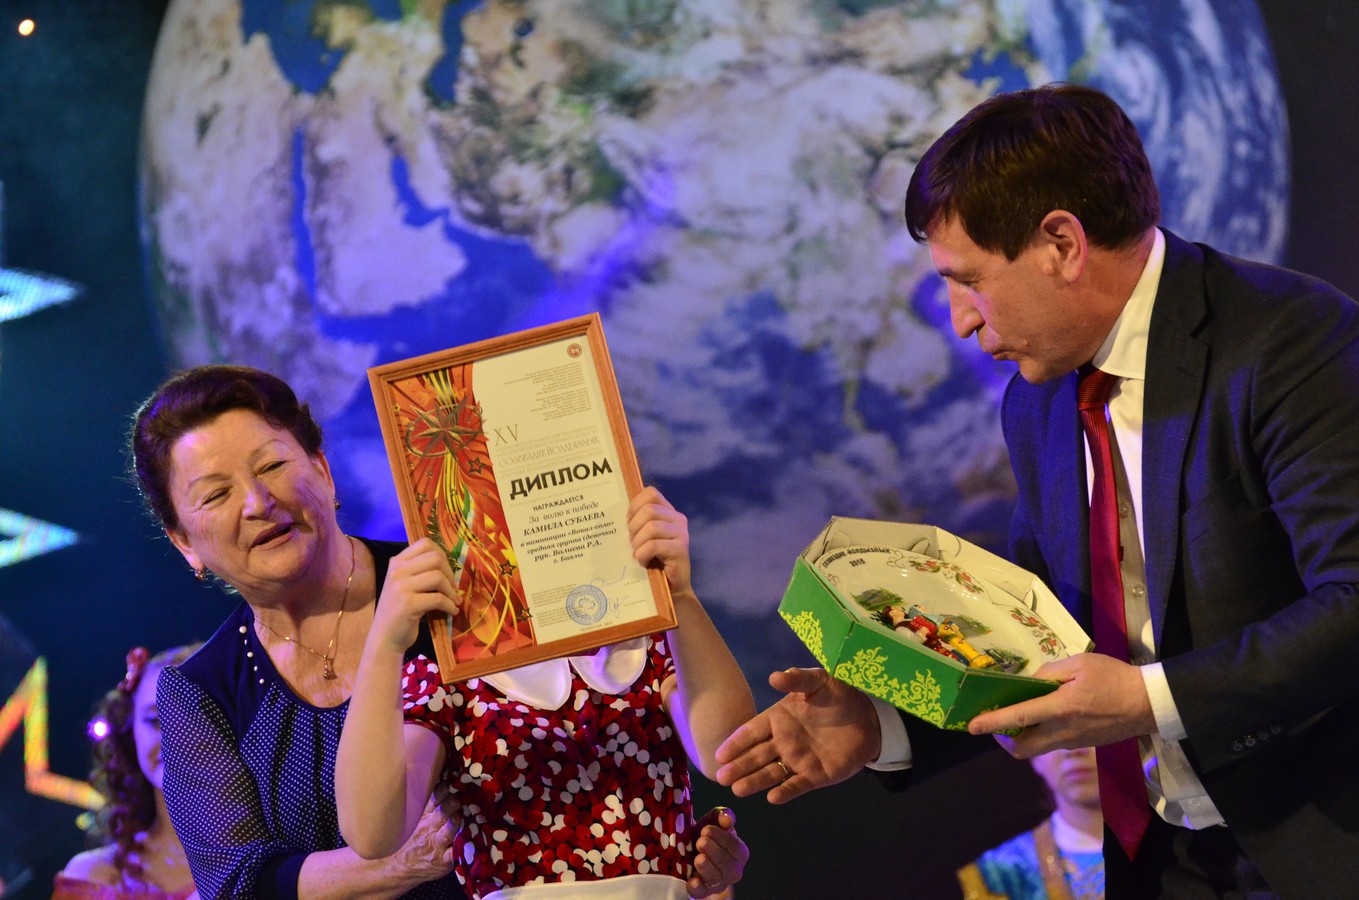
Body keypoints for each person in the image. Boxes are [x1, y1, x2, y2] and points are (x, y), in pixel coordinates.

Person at [714, 82, 1359, 899]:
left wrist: (1146, 699)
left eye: (968, 280)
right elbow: (1034, 633)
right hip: (1166, 861)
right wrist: (881, 722)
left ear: (1061, 243)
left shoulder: (1291, 339)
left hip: (1320, 847)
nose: (959, 320)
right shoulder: (1039, 398)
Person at [129, 365, 748, 900]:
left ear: (322, 470)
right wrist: (399, 864)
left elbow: (646, 735)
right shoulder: (201, 690)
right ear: (185, 543)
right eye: (215, 494)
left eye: (272, 465)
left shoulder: (474, 588)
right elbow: (235, 881)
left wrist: (672, 852)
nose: (257, 501)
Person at [333, 483, 755, 899]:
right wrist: (385, 641)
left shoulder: (647, 645)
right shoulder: (452, 675)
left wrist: (679, 594)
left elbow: (729, 752)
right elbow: (373, 832)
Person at [54, 645, 201, 900]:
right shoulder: (94, 877)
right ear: (131, 733)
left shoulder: (268, 862)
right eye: (155, 720)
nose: (172, 737)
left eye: (190, 716)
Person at [956, 747, 1104, 900]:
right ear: (1035, 759)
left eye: (1089, 736)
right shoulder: (1003, 874)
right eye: (1054, 739)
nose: (1073, 750)